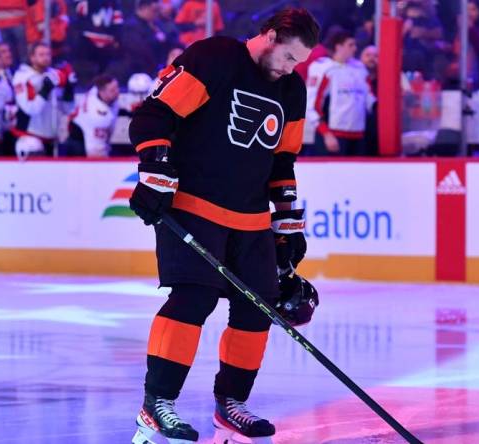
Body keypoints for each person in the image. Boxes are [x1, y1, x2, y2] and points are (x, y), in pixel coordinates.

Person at [127, 7, 319, 443]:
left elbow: (282, 158)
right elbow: (153, 116)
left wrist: (287, 222)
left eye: (299, 62)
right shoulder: (213, 57)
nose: (292, 68)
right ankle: (157, 404)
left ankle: (230, 403)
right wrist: (155, 171)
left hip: (250, 216)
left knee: (258, 307)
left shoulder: (291, 89)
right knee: (193, 299)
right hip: (194, 204)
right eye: (289, 57)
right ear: (269, 35)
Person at [305, 29, 375, 156]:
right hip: (333, 136)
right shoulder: (323, 68)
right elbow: (311, 105)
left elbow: (369, 99)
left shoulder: (359, 68)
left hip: (358, 136)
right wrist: (326, 134)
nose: (355, 48)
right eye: (350, 45)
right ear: (338, 46)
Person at [12, 42, 76, 156]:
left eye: (48, 54)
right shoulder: (23, 78)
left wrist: (69, 88)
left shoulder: (55, 75)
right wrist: (45, 90)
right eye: (41, 55)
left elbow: (68, 109)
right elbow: (30, 108)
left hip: (52, 139)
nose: (46, 58)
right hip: (30, 137)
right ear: (32, 57)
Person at [66, 74, 118, 157]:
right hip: (80, 143)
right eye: (112, 90)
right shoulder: (98, 116)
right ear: (102, 92)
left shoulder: (95, 91)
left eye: (117, 88)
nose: (117, 92)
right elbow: (96, 152)